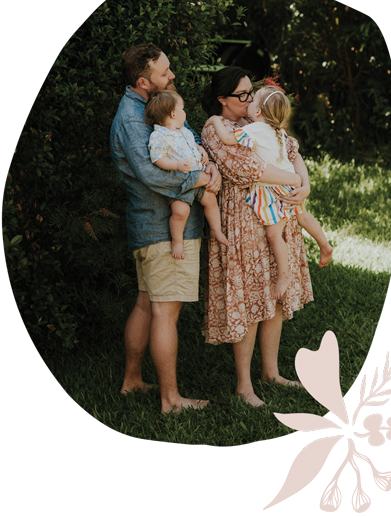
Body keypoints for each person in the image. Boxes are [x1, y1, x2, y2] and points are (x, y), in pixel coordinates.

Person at [110, 43, 221, 413]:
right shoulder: (132, 117)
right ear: (144, 81)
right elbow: (151, 173)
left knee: (147, 304)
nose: (171, 76)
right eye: (164, 72)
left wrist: (211, 168)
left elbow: (191, 141)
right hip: (162, 229)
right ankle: (171, 400)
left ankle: (132, 380)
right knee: (165, 312)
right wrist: (200, 181)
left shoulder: (155, 106)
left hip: (151, 228)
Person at [201, 67, 314, 407]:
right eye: (243, 94)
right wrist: (293, 181)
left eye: (252, 92)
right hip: (243, 220)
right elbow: (246, 169)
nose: (251, 99)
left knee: (275, 297)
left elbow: (293, 151)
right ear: (223, 99)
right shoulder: (215, 127)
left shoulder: (260, 123)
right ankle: (244, 386)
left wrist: (304, 183)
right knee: (250, 301)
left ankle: (270, 371)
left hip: (276, 217)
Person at [209, 85, 332, 300]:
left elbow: (228, 139)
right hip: (289, 184)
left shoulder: (256, 129)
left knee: (274, 234)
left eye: (253, 100)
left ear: (258, 112)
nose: (249, 102)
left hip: (274, 188)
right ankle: (325, 244)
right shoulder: (276, 131)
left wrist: (215, 120)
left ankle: (284, 275)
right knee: (303, 216)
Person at [146, 90, 228, 260]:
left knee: (211, 200)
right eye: (182, 109)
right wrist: (175, 165)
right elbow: (157, 158)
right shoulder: (159, 135)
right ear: (173, 113)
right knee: (180, 212)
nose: (185, 113)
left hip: (197, 176)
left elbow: (193, 146)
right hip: (181, 182)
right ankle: (177, 241)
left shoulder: (183, 130)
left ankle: (217, 230)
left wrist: (201, 151)